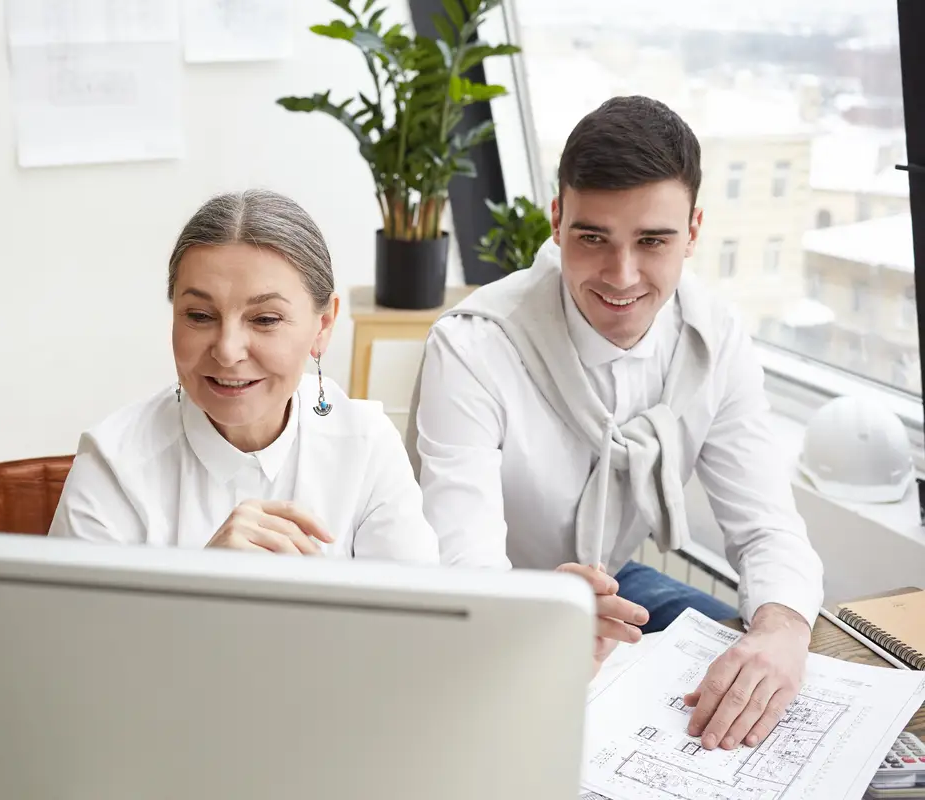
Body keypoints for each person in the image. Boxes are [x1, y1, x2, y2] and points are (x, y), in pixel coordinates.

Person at [407, 96, 824, 751]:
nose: (621, 276)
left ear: (693, 231)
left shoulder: (716, 338)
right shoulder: (472, 347)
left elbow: (767, 525)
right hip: (489, 603)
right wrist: (540, 613)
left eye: (653, 241)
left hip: (616, 586)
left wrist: (781, 629)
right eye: (592, 237)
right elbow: (464, 570)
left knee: (767, 676)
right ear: (556, 222)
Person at [50, 189, 438, 565]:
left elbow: (421, 624)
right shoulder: (114, 464)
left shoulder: (367, 447)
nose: (228, 350)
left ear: (323, 326)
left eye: (265, 319)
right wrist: (201, 587)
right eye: (200, 316)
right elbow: (70, 631)